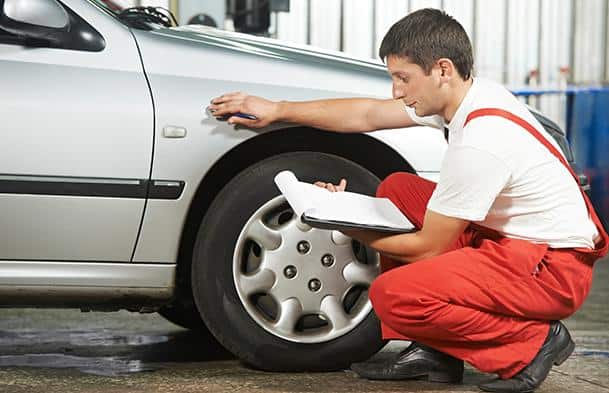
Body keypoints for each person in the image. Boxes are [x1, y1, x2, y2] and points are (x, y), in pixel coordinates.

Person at [208, 8, 608, 393]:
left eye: (403, 78)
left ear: (442, 70)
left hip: (550, 269)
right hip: (517, 241)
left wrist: (347, 224)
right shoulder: (465, 96)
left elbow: (425, 247)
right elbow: (366, 114)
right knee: (399, 189)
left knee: (393, 295)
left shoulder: (482, 141)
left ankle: (532, 342)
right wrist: (278, 110)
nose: (396, 91)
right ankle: (435, 352)